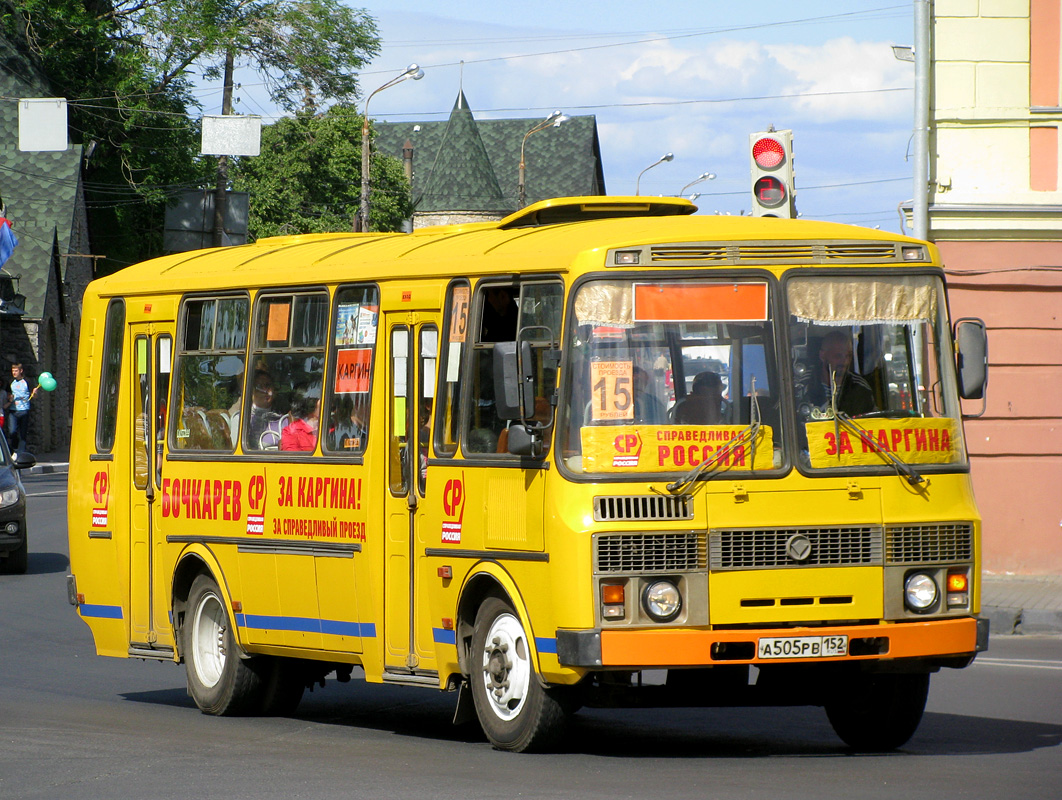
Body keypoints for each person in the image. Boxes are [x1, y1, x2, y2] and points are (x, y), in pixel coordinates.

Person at [802, 330, 876, 417]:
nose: (844, 361)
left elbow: (870, 422)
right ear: (822, 355)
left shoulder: (860, 387)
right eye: (838, 356)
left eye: (848, 356)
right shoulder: (804, 384)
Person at [242, 369, 282, 450]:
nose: (265, 391)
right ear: (251, 391)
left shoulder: (283, 419)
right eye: (260, 387)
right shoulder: (242, 418)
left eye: (267, 385)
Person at [8, 363, 38, 454]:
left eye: (16, 371)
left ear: (21, 371)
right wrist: (9, 398)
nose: (14, 373)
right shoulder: (10, 382)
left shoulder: (27, 381)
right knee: (12, 431)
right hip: (13, 411)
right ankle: (14, 450)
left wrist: (35, 393)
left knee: (23, 433)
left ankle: (21, 452)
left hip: (24, 410)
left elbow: (34, 396)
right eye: (13, 371)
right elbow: (7, 395)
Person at [280, 384, 320, 452]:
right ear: (311, 404)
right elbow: (293, 459)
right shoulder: (291, 432)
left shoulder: (333, 428)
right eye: (321, 399)